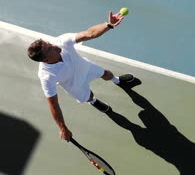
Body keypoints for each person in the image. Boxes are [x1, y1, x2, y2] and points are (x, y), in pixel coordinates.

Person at [27, 11, 141, 142]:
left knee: (106, 73)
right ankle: (93, 102)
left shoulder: (61, 41)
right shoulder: (46, 76)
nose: (53, 45)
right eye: (49, 48)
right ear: (46, 60)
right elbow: (53, 104)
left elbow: (89, 33)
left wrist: (108, 25)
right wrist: (63, 127)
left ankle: (118, 81)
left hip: (85, 67)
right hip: (74, 84)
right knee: (89, 96)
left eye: (49, 43)